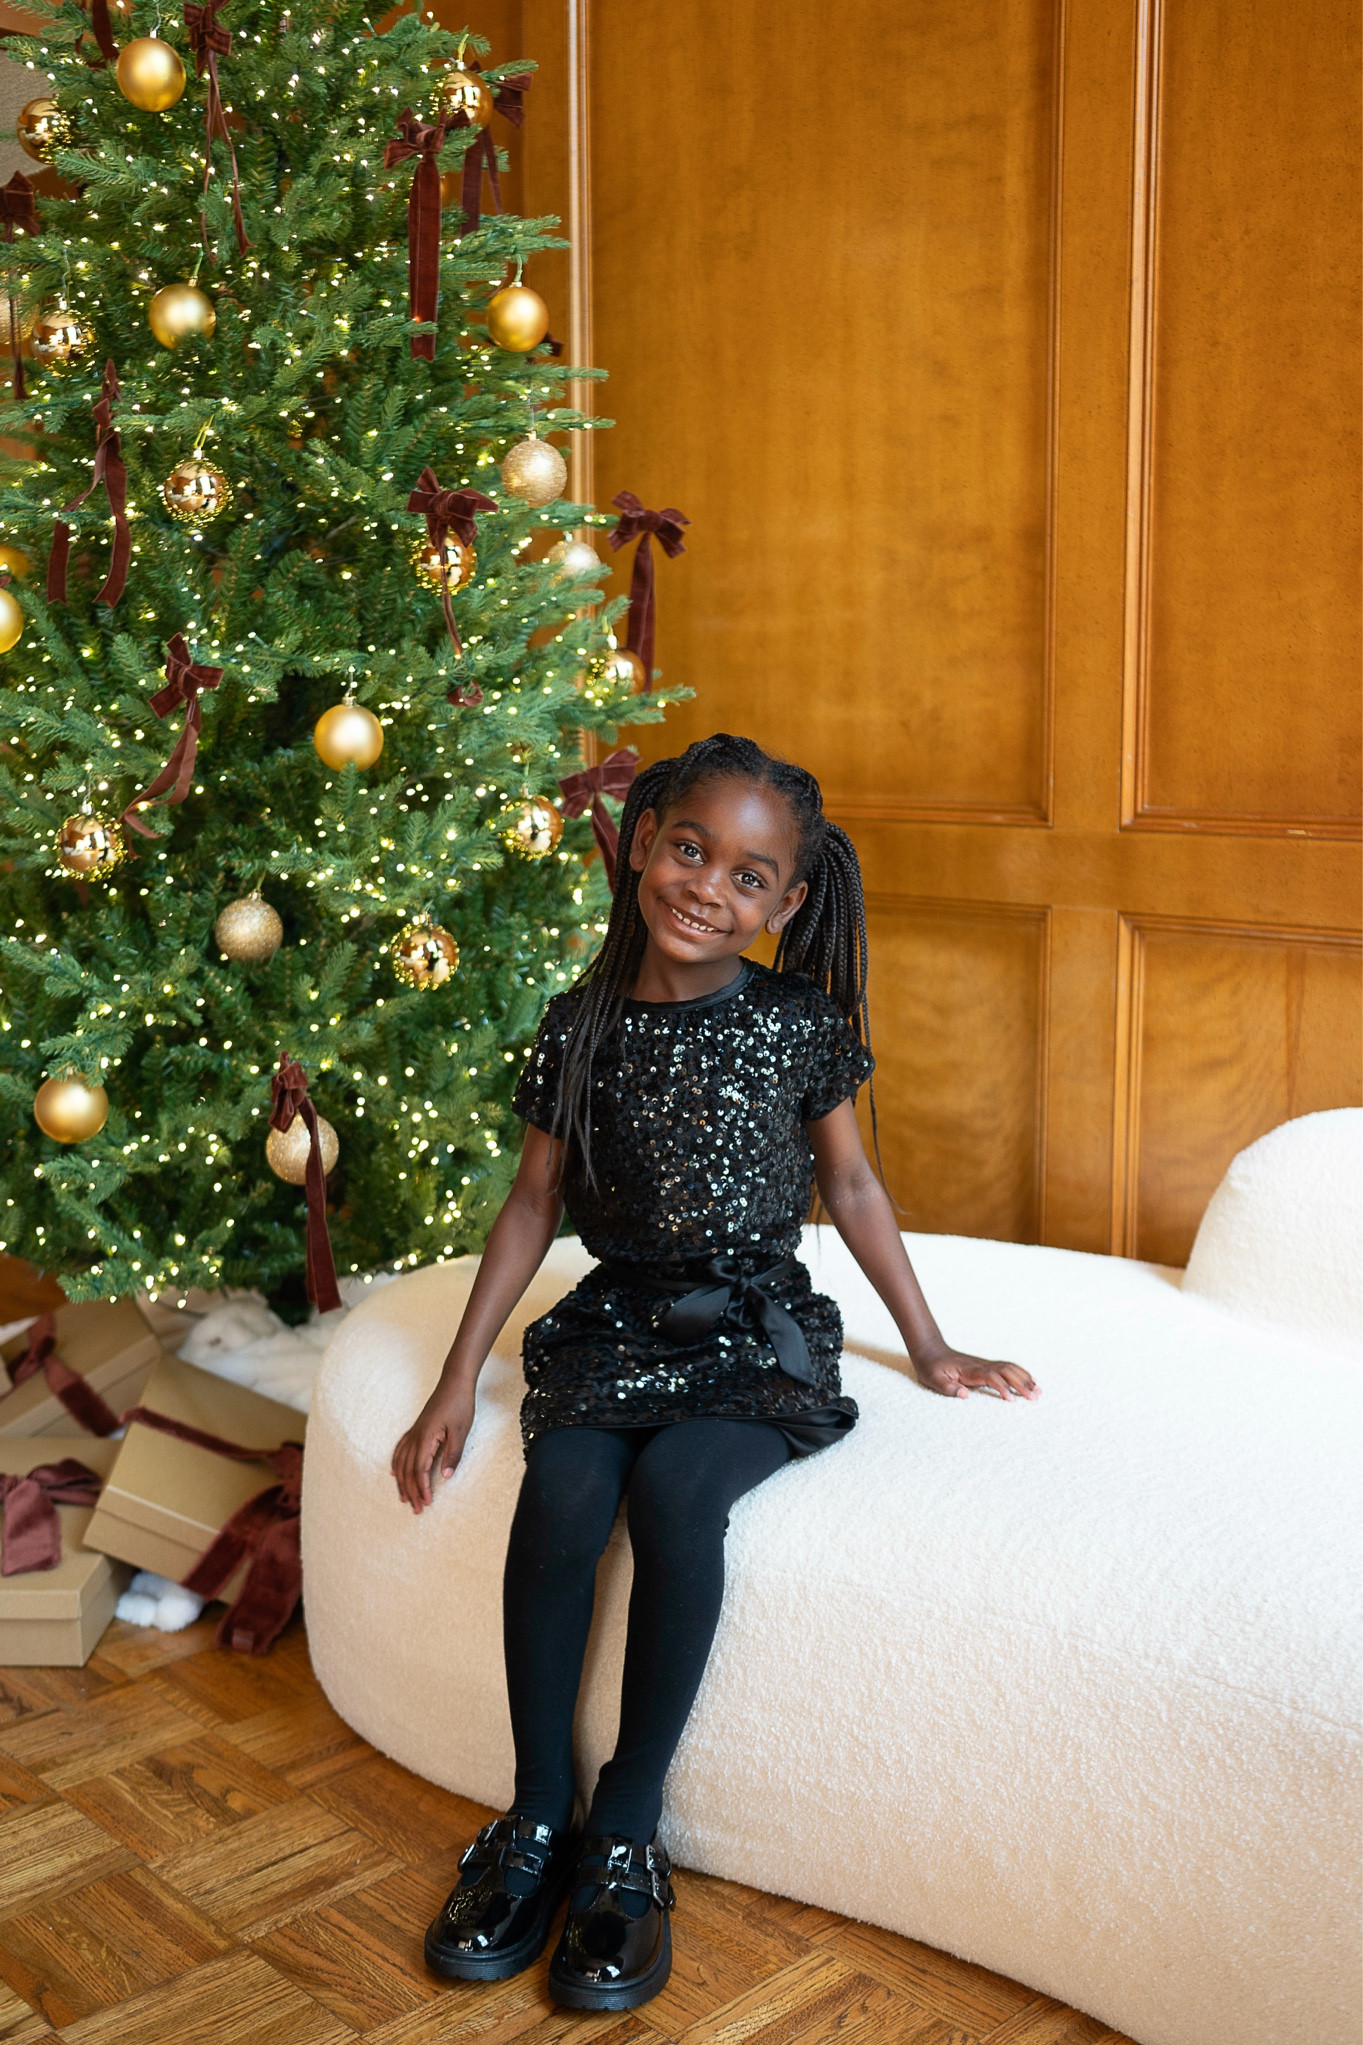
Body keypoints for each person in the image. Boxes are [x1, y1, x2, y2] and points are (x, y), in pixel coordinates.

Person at [392, 732, 1040, 2014]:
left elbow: (851, 1184)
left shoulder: (798, 1021)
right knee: (562, 1494)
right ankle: (536, 1813)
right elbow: (531, 1203)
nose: (708, 886)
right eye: (689, 849)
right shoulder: (580, 1024)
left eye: (749, 876)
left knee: (677, 1494)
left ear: (786, 902)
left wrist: (929, 1342)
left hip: (751, 1326)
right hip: (618, 1319)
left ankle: (626, 1830)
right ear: (643, 842)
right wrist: (456, 1378)